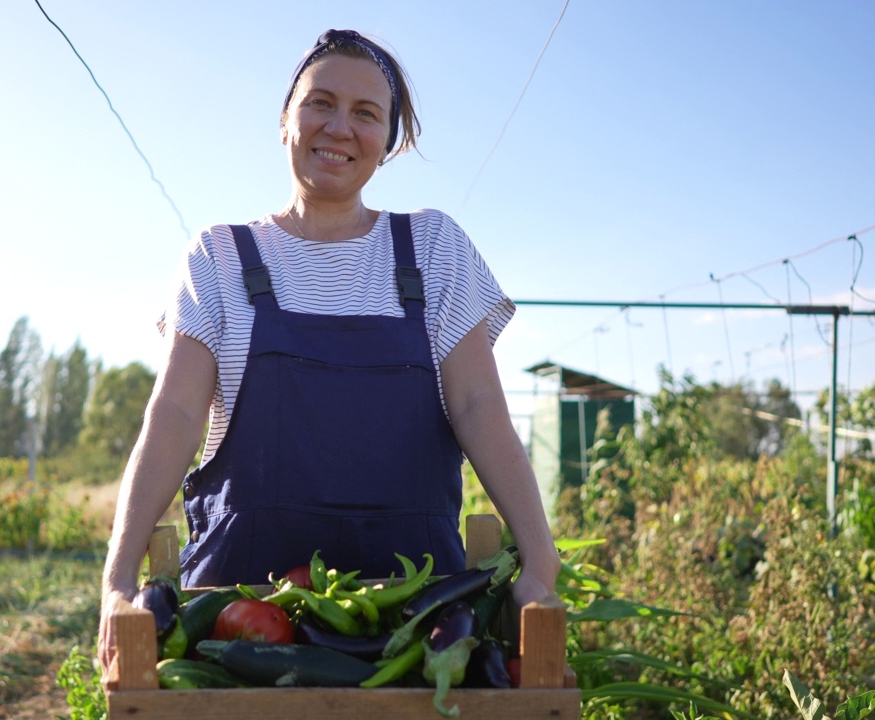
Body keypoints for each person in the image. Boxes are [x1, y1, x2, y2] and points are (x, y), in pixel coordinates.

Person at [97, 28, 560, 683]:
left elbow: (479, 404)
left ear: (390, 141)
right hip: (237, 632)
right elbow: (173, 414)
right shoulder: (220, 256)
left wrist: (540, 563)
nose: (340, 126)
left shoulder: (432, 250)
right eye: (321, 102)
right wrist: (117, 577)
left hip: (409, 640)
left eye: (367, 113)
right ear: (285, 120)